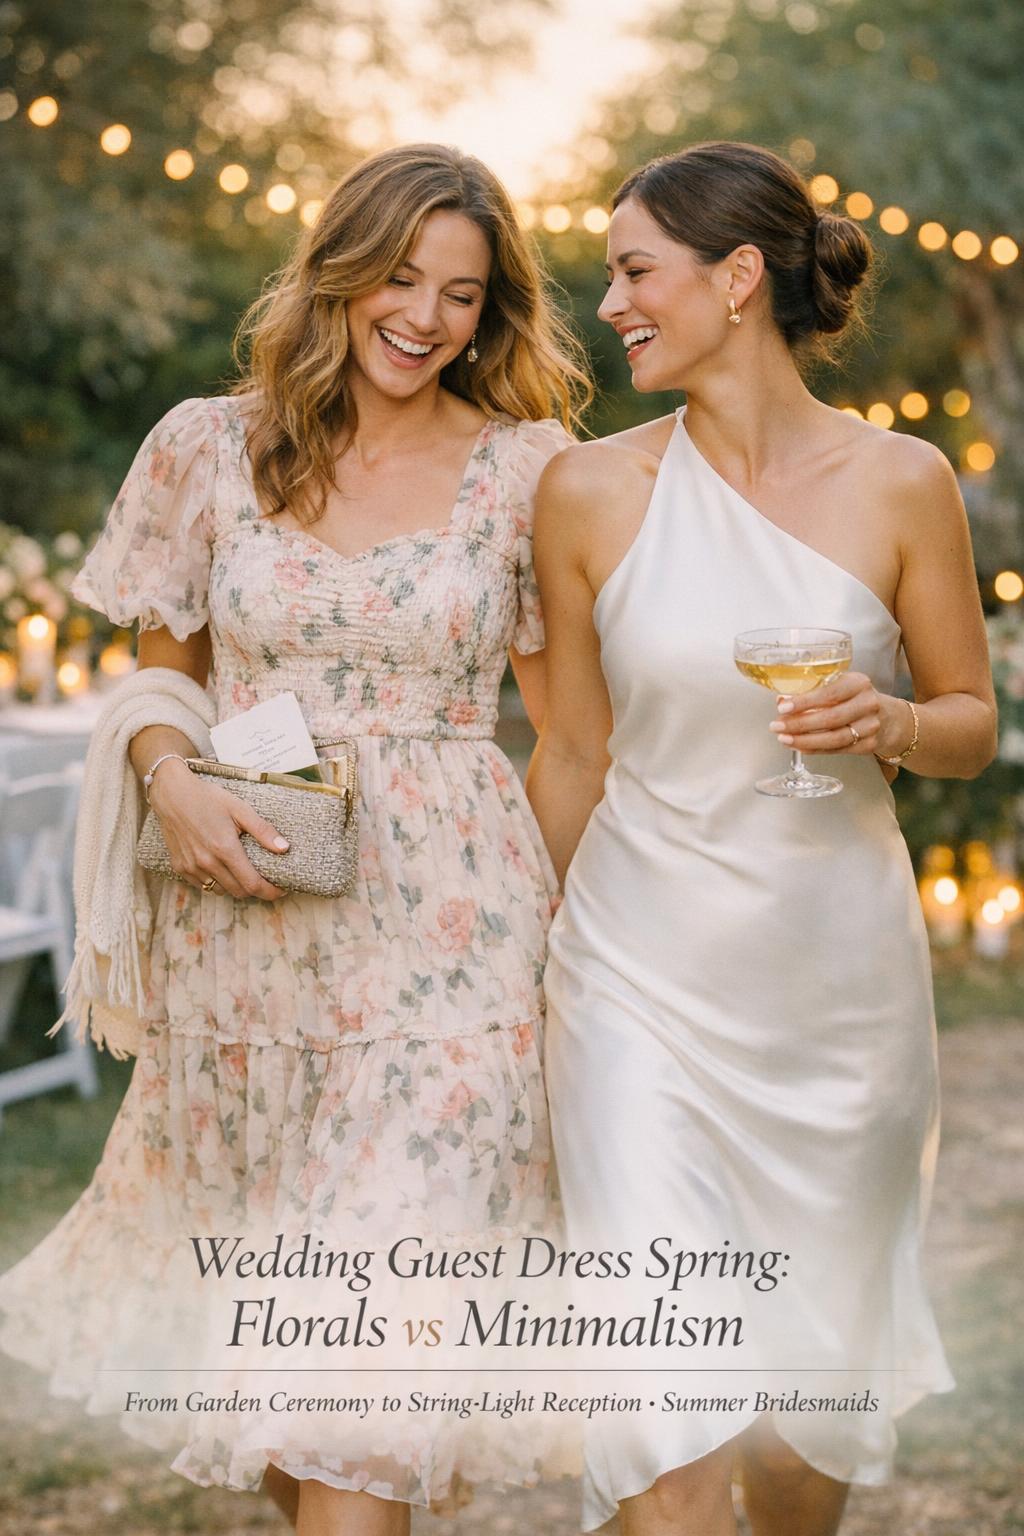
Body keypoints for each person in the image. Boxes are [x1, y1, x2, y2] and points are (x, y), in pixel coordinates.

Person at [0, 142, 589, 1534]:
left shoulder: (531, 470)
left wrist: (573, 945)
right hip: (248, 951)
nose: (426, 317)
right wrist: (166, 777)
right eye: (400, 277)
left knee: (352, 1371)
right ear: (338, 269)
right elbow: (164, 681)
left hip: (454, 968)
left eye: (461, 292)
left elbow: (571, 736)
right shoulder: (204, 446)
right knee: (281, 1392)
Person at [527, 141, 996, 1536]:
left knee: (805, 1434)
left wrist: (895, 725)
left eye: (634, 272)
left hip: (837, 999)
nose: (610, 302)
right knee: (667, 1431)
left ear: (738, 279)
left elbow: (971, 714)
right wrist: (521, 966)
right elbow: (569, 753)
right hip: (632, 992)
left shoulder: (906, 480)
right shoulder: (587, 493)